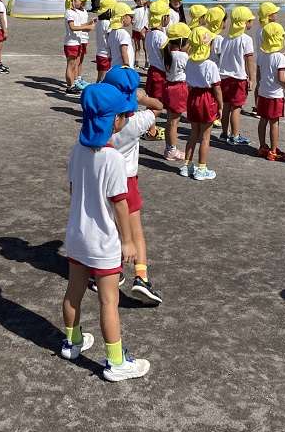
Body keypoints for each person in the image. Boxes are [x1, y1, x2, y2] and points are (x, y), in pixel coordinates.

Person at [60, 82, 150, 381]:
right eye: (123, 115)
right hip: (103, 241)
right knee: (109, 302)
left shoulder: (77, 151)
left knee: (73, 292)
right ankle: (116, 362)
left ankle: (72, 342)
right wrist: (128, 241)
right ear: (114, 120)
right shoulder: (113, 159)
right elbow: (120, 205)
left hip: (76, 236)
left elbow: (73, 190)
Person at [105, 68, 164, 304]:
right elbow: (158, 107)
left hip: (103, 177)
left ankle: (112, 271)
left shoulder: (102, 118)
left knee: (110, 226)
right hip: (127, 179)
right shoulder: (137, 121)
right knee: (135, 229)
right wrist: (143, 98)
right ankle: (141, 277)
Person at [181, 26, 222, 181]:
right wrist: (220, 105)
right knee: (205, 136)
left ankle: (186, 165)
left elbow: (188, 83)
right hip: (207, 98)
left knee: (193, 133)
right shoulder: (210, 65)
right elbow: (216, 88)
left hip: (193, 97)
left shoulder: (189, 62)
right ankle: (202, 168)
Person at [218, 5, 255, 145]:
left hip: (224, 78)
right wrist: (252, 78)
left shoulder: (226, 39)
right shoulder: (246, 39)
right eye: (249, 20)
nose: (251, 23)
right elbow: (249, 60)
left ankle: (224, 133)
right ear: (244, 23)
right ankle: (235, 135)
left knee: (226, 107)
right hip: (238, 78)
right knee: (236, 108)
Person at [256, 22, 285, 161]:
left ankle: (262, 146)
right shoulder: (280, 58)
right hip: (275, 95)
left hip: (263, 92)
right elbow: (281, 78)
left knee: (263, 120)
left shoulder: (261, 55)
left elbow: (259, 76)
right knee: (274, 123)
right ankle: (273, 150)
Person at [162, 22, 190, 161]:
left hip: (168, 87)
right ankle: (172, 150)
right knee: (174, 122)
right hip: (178, 89)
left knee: (170, 121)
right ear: (181, 42)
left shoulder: (167, 53)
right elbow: (190, 70)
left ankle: (169, 148)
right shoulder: (182, 56)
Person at [252, 1, 280, 119]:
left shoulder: (261, 28)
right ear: (269, 15)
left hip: (262, 59)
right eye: (274, 13)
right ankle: (259, 107)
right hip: (266, 59)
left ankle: (258, 106)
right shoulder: (266, 29)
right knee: (263, 83)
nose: (276, 15)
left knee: (260, 83)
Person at [63, 0, 93, 94]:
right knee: (71, 65)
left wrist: (89, 24)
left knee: (74, 64)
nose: (81, 1)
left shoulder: (74, 12)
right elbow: (72, 27)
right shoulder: (69, 12)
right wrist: (86, 27)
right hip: (71, 43)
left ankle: (73, 84)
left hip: (76, 42)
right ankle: (70, 86)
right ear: (72, 1)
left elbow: (78, 25)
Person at [144, 0, 170, 104]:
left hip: (152, 70)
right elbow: (166, 57)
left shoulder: (149, 34)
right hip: (160, 74)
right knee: (158, 105)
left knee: (152, 103)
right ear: (164, 17)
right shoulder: (162, 37)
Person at [94, 0, 116, 83]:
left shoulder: (99, 22)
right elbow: (111, 38)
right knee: (103, 79)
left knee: (99, 78)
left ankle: (96, 89)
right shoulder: (107, 23)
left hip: (100, 53)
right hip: (106, 55)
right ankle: (97, 91)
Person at [107, 2, 135, 69]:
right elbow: (124, 51)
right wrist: (127, 65)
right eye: (131, 16)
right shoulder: (123, 33)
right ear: (123, 17)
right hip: (123, 69)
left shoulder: (111, 32)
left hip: (114, 67)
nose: (132, 19)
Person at [131, 0, 149, 69]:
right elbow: (131, 19)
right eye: (138, 0)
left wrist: (147, 2)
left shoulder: (146, 8)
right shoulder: (133, 9)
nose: (141, 2)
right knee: (137, 48)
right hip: (136, 31)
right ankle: (136, 62)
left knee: (146, 48)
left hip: (145, 30)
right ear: (135, 1)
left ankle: (147, 62)